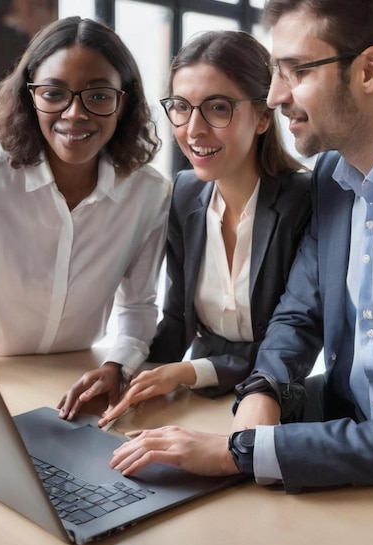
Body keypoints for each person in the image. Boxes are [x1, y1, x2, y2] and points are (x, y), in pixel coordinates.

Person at [109, 0, 373, 535]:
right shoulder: (331, 174)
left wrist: (243, 453)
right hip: (352, 476)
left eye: (294, 71)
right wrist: (263, 391)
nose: (274, 96)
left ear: (369, 69)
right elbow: (300, 312)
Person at [58, 30, 311, 423]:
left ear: (262, 117)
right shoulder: (184, 193)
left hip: (274, 406)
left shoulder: (305, 201)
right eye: (181, 107)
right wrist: (123, 373)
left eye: (218, 108)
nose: (193, 130)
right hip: (197, 401)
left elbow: (289, 344)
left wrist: (191, 371)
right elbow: (177, 320)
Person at [0, 16, 171, 406]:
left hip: (84, 375)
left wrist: (117, 366)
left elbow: (138, 304)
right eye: (54, 94)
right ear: (30, 96)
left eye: (99, 95)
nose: (75, 114)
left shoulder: (148, 194)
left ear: (123, 102)